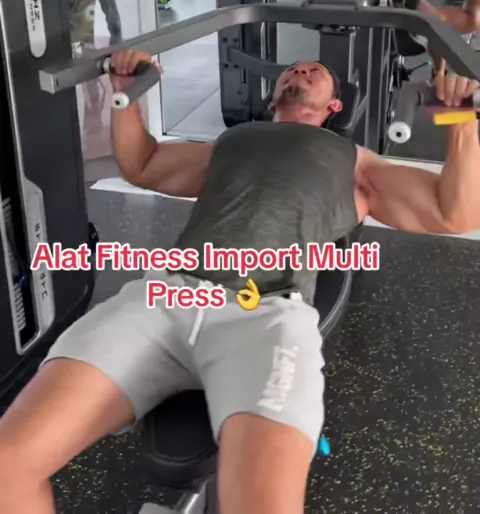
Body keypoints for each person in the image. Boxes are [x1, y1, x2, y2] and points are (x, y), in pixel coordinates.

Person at [0, 52, 479, 514]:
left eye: (314, 70)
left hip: (265, 317)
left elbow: (452, 212)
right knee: (8, 464)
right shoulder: (233, 141)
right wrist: (126, 95)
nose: (301, 69)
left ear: (335, 105)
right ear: (273, 98)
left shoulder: (354, 161)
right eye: (293, 69)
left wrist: (460, 122)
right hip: (163, 297)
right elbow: (142, 164)